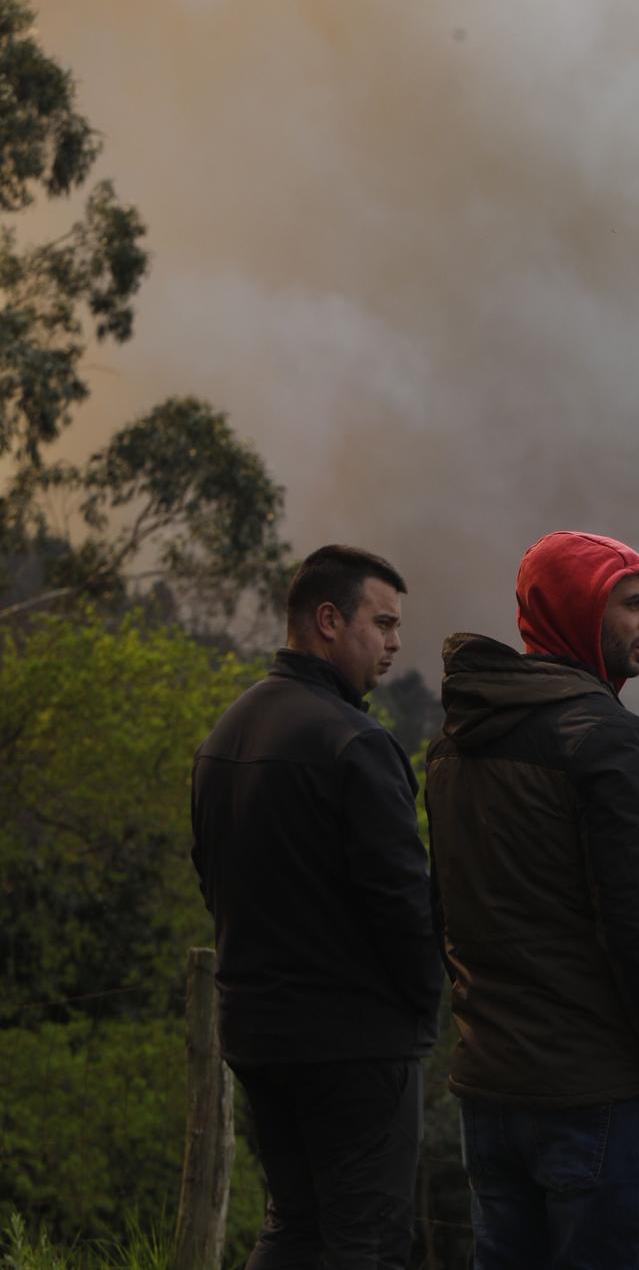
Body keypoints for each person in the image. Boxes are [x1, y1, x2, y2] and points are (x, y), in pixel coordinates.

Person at [426, 530, 639, 1269]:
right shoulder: (605, 738)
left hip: (490, 1087)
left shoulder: (454, 741)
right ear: (580, 611)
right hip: (596, 1099)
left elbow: (446, 913)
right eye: (634, 602)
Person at [191, 544, 440, 1269]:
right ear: (328, 620)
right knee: (367, 1240)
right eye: (383, 623)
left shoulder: (224, 735)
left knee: (294, 1227)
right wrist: (422, 1005)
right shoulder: (356, 743)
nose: (395, 643)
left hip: (256, 1033)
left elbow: (211, 875)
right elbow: (402, 905)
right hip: (356, 1046)